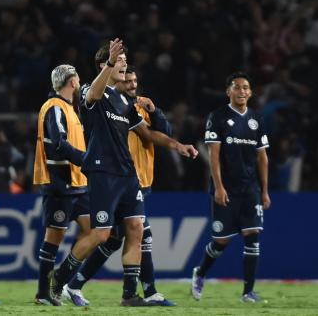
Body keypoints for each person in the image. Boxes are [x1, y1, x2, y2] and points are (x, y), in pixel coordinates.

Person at [54, 39, 198, 307]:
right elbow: (93, 96)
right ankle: (61, 278)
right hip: (103, 172)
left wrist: (178, 145)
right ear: (104, 65)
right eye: (119, 62)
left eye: (123, 62)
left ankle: (130, 295)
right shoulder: (90, 91)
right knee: (101, 235)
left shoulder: (124, 101)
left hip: (128, 174)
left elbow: (146, 132)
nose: (124, 66)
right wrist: (110, 62)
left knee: (136, 229)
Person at [191, 72, 271, 303]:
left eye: (246, 87)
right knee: (221, 242)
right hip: (226, 188)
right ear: (228, 91)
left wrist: (264, 190)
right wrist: (218, 187)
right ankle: (201, 273)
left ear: (251, 92)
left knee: (252, 235)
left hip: (250, 189)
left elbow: (262, 158)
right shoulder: (217, 117)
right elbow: (213, 155)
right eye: (237, 87)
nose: (242, 91)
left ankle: (248, 292)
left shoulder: (257, 119)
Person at [32, 64, 92, 306]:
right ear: (73, 82)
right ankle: (42, 293)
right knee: (53, 239)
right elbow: (59, 143)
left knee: (97, 232)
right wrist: (85, 160)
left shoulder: (69, 108)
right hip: (60, 183)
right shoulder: (55, 108)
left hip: (78, 183)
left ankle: (63, 278)